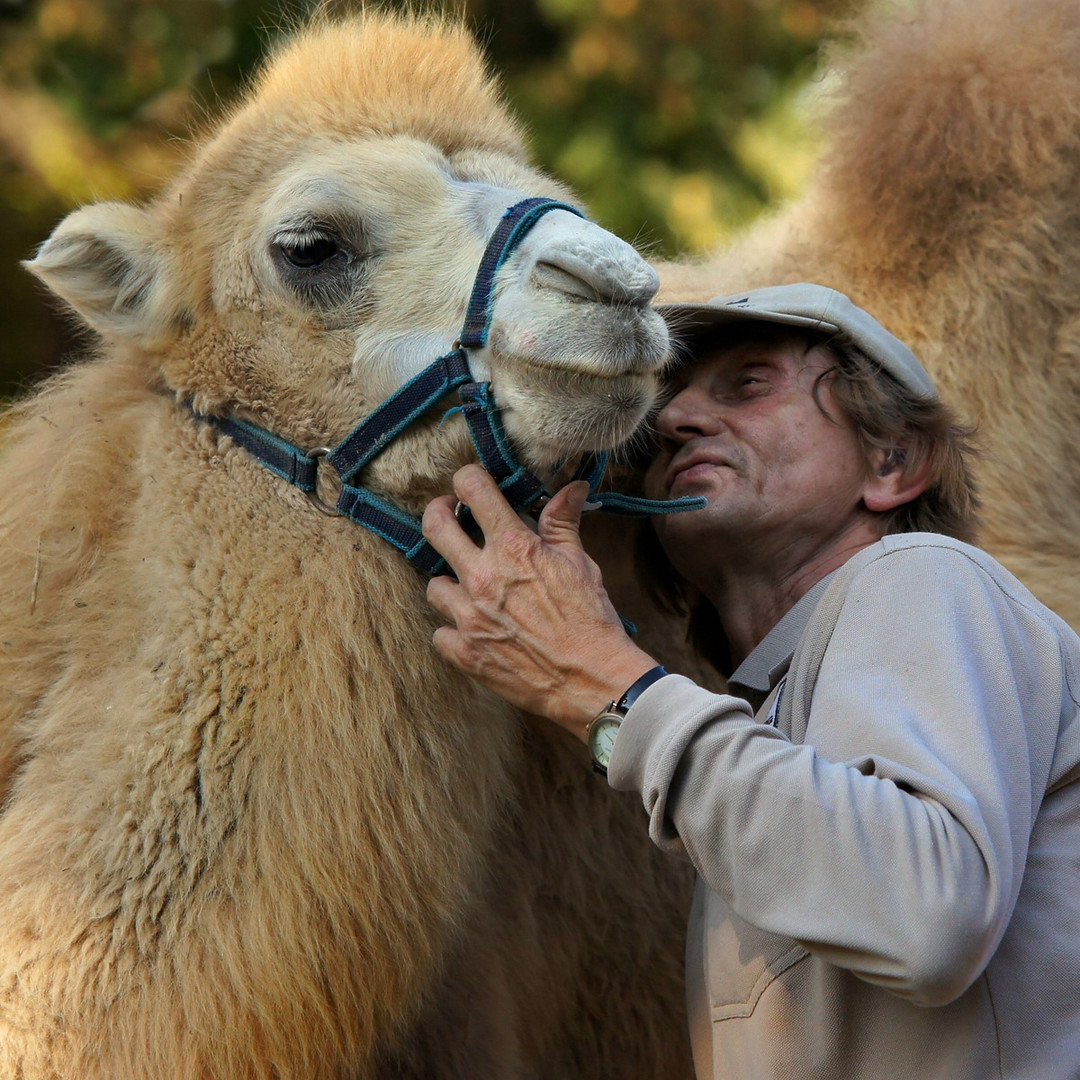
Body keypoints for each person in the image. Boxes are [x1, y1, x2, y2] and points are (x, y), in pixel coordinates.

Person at [420, 283, 1080, 1080]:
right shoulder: (764, 738)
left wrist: (608, 690)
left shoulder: (921, 576)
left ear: (892, 461)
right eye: (662, 409)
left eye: (749, 384)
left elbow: (927, 912)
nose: (672, 418)